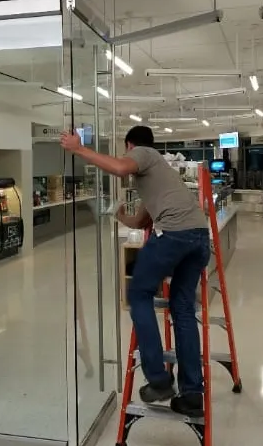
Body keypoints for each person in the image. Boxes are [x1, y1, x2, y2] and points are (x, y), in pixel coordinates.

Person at [60, 125, 209, 417]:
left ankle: (158, 378)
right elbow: (139, 221)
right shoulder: (158, 175)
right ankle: (192, 394)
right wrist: (116, 213)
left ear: (130, 146)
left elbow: (118, 168)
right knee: (182, 308)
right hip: (199, 238)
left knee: (138, 293)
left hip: (175, 235)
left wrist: (79, 149)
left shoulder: (143, 152)